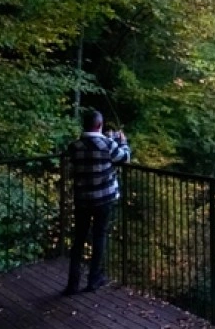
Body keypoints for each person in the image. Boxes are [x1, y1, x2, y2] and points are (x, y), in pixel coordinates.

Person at [64, 109, 130, 295]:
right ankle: (94, 280)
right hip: (104, 199)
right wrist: (122, 142)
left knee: (79, 239)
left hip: (82, 199)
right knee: (99, 237)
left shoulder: (74, 146)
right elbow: (124, 157)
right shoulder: (107, 144)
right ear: (99, 125)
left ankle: (72, 284)